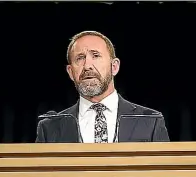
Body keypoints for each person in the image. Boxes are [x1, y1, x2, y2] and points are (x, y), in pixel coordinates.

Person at [36, 31, 170, 143]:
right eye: (80, 58)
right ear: (70, 72)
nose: (87, 65)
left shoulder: (151, 121)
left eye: (96, 56)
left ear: (114, 66)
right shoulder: (49, 127)